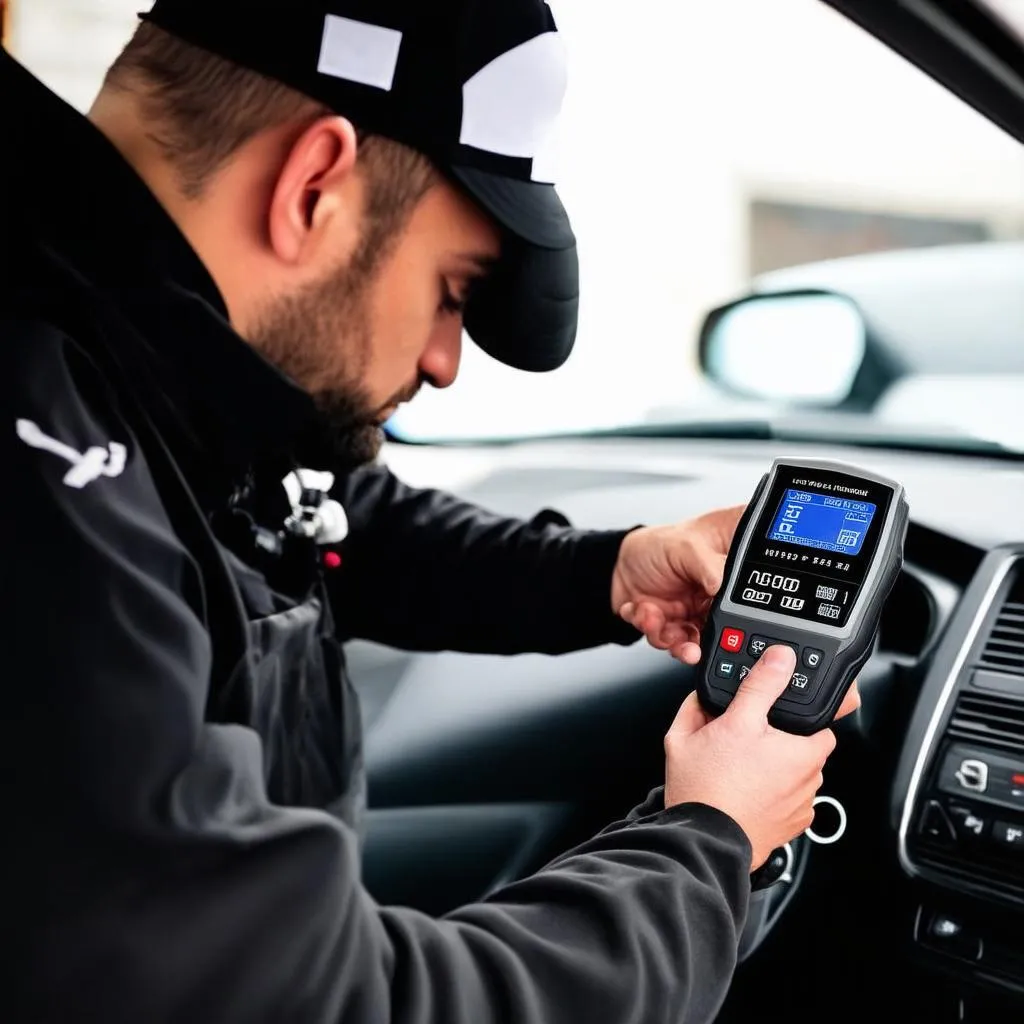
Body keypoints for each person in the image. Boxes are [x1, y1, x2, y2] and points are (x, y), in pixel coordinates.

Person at [2, 1, 859, 1021]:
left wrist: (605, 571)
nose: (446, 363)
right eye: (454, 291)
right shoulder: (47, 479)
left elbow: (312, 514)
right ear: (313, 186)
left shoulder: (140, 363)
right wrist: (710, 841)